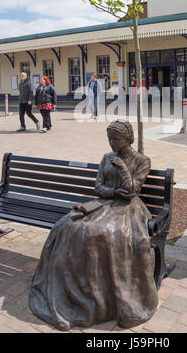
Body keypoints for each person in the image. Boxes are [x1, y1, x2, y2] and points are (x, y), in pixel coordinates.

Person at [29, 120, 158, 331]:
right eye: (109, 139)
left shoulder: (142, 160)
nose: (112, 143)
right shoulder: (106, 157)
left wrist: (123, 169)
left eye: (116, 139)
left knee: (101, 233)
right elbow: (98, 186)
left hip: (129, 210)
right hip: (105, 204)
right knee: (68, 226)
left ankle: (105, 292)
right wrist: (113, 192)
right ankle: (72, 285)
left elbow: (133, 189)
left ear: (129, 138)